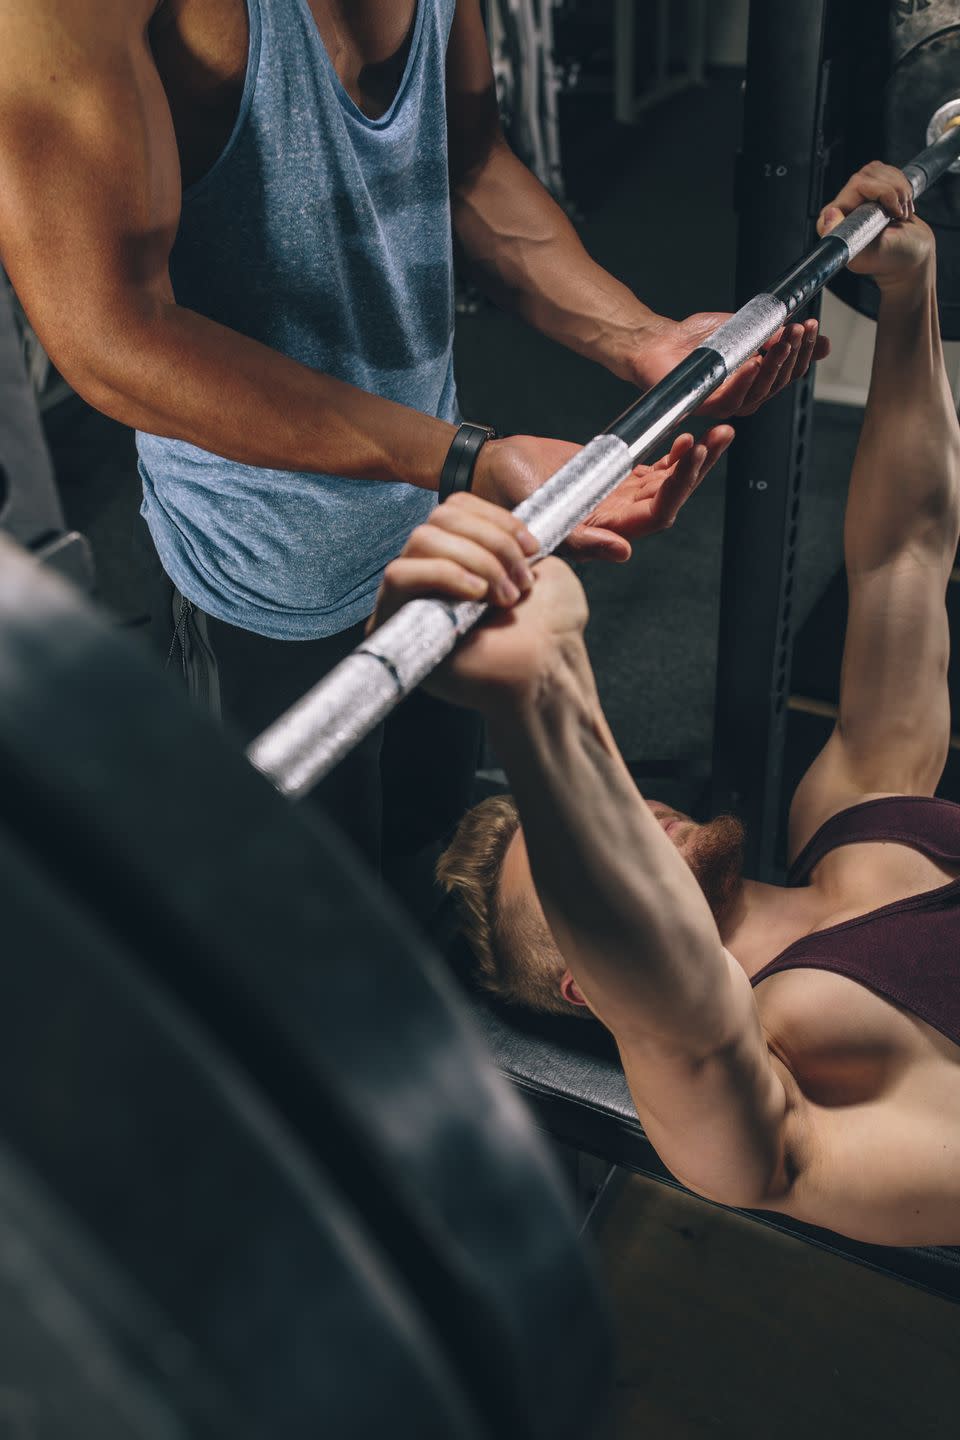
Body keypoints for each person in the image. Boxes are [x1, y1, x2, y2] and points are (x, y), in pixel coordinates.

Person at [0, 0, 823, 914]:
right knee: (297, 922)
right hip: (264, 568)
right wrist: (470, 460)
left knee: (439, 859)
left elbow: (468, 165)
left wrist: (640, 339)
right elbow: (110, 333)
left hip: (434, 522)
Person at [369, 161, 960, 1246]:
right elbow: (682, 1018)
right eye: (568, 859)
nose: (626, 813)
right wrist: (543, 702)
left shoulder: (856, 823)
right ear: (591, 990)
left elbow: (904, 560)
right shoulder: (779, 1077)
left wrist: (912, 296)